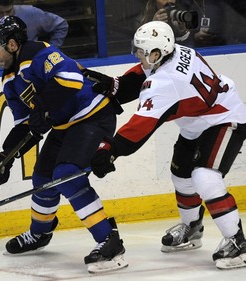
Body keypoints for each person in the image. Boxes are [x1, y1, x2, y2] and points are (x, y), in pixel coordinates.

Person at [0, 15, 144, 274]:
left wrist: (42, 109)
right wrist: (3, 158)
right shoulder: (9, 80)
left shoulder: (39, 52)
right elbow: (25, 124)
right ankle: (39, 234)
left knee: (66, 175)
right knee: (43, 178)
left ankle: (109, 241)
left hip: (93, 115)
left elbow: (71, 80)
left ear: (12, 44)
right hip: (64, 125)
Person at [89, 21, 246, 270]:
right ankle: (192, 227)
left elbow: (140, 127)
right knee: (181, 174)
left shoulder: (164, 83)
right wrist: (115, 85)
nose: (137, 55)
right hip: (197, 122)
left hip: (226, 118)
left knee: (205, 177)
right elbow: (144, 72)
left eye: (141, 52)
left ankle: (238, 242)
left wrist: (110, 149)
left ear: (156, 53)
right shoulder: (177, 51)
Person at [0, 0, 68, 69]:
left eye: (8, 11)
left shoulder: (31, 13)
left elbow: (61, 25)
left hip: (33, 67)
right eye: (0, 12)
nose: (5, 17)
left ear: (13, 4)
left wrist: (50, 51)